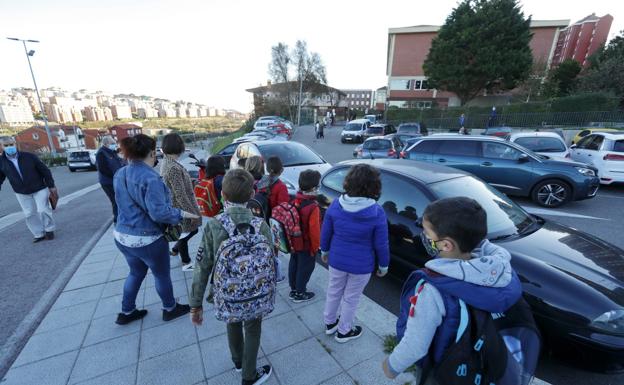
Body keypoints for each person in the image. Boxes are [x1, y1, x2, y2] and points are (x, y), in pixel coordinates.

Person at [382, 197, 523, 383]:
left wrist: (391, 366)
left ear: (446, 245)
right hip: (480, 362)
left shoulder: (433, 289)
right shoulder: (499, 273)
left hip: (443, 369)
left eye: (427, 233)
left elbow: (415, 346)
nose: (423, 236)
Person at [190, 168, 274, 385]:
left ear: (223, 196)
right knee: (253, 328)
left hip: (228, 294)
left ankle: (238, 362)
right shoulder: (261, 225)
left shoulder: (215, 225)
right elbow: (271, 259)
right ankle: (249, 375)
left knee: (233, 321)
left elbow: (202, 266)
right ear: (251, 195)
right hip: (256, 292)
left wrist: (195, 304)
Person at [113, 134, 197, 325]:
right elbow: (159, 213)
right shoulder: (151, 178)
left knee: (135, 272)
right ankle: (170, 308)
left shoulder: (120, 173)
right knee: (161, 274)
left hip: (122, 236)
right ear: (152, 152)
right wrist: (181, 214)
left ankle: (127, 312)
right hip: (147, 239)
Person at [320, 164, 389, 343]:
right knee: (351, 298)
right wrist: (383, 265)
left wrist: (324, 250)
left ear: (348, 182)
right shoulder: (376, 211)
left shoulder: (336, 204)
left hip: (336, 259)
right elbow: (381, 243)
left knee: (334, 291)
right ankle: (344, 331)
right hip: (361, 265)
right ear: (374, 187)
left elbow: (326, 231)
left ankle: (329, 323)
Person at [0, 137, 57, 242]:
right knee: (29, 214)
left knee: (43, 210)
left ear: (15, 144)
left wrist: (51, 185)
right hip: (21, 192)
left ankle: (49, 229)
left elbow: (45, 170)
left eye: (11, 144)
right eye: (6, 145)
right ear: (1, 147)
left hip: (39, 188)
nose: (10, 147)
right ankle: (38, 233)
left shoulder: (29, 157)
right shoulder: (1, 162)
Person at [160, 133, 202, 271]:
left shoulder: (167, 161)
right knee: (185, 233)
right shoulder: (173, 168)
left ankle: (175, 249)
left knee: (190, 231)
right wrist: (191, 213)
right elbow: (180, 194)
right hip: (180, 207)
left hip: (176, 205)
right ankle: (186, 262)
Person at [288, 170, 322, 303]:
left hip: (294, 242)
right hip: (306, 245)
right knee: (305, 268)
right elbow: (314, 232)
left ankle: (293, 289)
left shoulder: (295, 199)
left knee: (294, 264)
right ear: (313, 188)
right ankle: (300, 293)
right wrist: (315, 248)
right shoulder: (313, 207)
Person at [96, 136, 125, 223]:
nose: (114, 145)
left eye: (114, 143)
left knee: (119, 200)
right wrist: (115, 176)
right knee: (115, 200)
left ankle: (120, 218)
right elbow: (103, 169)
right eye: (112, 143)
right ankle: (117, 220)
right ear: (106, 144)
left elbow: (119, 162)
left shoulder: (111, 152)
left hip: (115, 180)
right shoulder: (101, 153)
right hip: (108, 182)